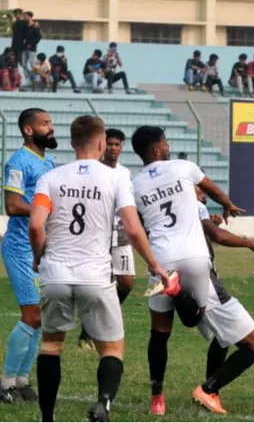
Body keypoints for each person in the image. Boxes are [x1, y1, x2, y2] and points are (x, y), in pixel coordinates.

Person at [28, 116, 168, 422]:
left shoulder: (51, 178)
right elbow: (132, 227)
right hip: (96, 275)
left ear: (72, 142)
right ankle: (103, 403)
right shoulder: (115, 178)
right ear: (102, 143)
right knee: (111, 349)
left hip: (55, 274)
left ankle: (47, 418)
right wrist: (155, 265)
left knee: (51, 345)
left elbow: (36, 225)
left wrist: (39, 258)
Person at [130, 125, 244, 416]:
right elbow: (211, 189)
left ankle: (157, 396)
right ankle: (210, 389)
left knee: (159, 331)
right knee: (202, 321)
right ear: (157, 149)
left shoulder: (135, 184)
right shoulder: (184, 167)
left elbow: (138, 224)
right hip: (194, 257)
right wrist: (228, 204)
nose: (167, 146)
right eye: (164, 143)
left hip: (160, 261)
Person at [169, 186, 254, 414]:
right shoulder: (196, 206)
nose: (204, 195)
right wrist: (250, 243)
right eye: (200, 190)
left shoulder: (174, 209)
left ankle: (211, 393)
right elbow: (218, 236)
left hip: (182, 276)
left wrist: (209, 224)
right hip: (205, 283)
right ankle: (208, 389)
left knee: (222, 340)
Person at [1, 108, 57, 404]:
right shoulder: (19, 161)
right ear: (28, 130)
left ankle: (21, 381)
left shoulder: (49, 161)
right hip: (20, 248)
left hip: (40, 248)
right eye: (45, 124)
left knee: (41, 318)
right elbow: (12, 204)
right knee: (32, 315)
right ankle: (6, 381)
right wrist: (45, 210)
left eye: (50, 123)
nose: (51, 128)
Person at [78, 129, 138, 350]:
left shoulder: (125, 173)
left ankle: (91, 328)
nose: (113, 148)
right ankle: (88, 333)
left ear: (122, 146)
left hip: (120, 235)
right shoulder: (96, 171)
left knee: (126, 283)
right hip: (99, 234)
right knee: (96, 284)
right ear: (103, 145)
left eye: (117, 144)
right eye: (110, 144)